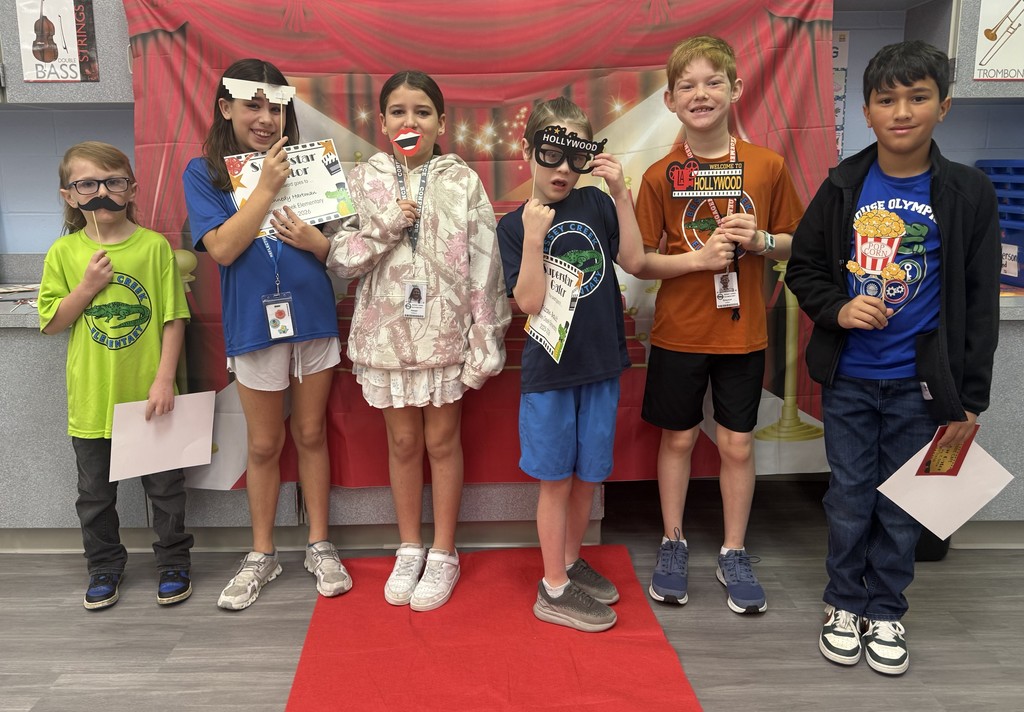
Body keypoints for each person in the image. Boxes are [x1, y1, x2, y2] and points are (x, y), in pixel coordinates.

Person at [786, 40, 1000, 675]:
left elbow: (980, 298)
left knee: (905, 501)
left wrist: (972, 398)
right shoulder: (842, 184)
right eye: (887, 99)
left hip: (924, 386)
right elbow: (805, 268)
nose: (901, 111)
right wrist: (839, 308)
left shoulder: (968, 191)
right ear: (869, 111)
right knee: (850, 496)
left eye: (917, 97)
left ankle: (886, 610)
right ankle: (844, 602)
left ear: (944, 106)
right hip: (851, 377)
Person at [327, 70, 510, 611]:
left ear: (442, 123)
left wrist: (486, 333)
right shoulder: (360, 181)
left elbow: (485, 263)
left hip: (446, 334)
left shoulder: (461, 181)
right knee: (402, 442)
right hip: (385, 335)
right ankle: (410, 546)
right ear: (382, 123)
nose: (411, 121)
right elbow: (340, 258)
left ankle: (445, 551)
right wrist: (384, 226)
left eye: (423, 112)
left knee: (441, 441)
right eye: (400, 112)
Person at [634, 36, 804, 614]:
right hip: (678, 331)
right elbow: (640, 259)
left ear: (735, 90)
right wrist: (696, 261)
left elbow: (797, 241)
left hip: (742, 333)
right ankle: (673, 540)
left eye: (712, 82)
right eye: (687, 85)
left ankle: (734, 549)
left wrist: (759, 241)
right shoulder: (660, 175)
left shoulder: (766, 166)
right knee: (678, 438)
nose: (700, 94)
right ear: (669, 100)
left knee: (736, 444)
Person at [182, 59, 351, 610]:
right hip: (255, 322)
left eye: (275, 106)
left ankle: (319, 543)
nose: (265, 117)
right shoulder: (202, 173)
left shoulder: (311, 166)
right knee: (262, 442)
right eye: (252, 104)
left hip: (314, 316)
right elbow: (224, 249)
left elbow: (342, 254)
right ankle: (262, 552)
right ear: (225, 107)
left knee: (311, 433)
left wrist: (314, 238)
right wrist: (265, 187)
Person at [497, 97, 646, 632]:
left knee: (588, 479)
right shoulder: (515, 226)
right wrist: (535, 236)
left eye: (575, 157)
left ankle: (569, 559)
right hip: (552, 373)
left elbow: (633, 259)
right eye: (551, 154)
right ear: (529, 151)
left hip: (603, 365)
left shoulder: (597, 204)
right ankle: (552, 588)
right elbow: (530, 303)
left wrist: (621, 194)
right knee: (556, 482)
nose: (562, 169)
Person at [38, 141, 194, 610]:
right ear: (70, 195)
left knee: (165, 490)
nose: (101, 192)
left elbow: (173, 317)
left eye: (113, 182)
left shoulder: (153, 247)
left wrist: (165, 379)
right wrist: (87, 286)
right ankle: (103, 566)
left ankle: (173, 562)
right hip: (92, 400)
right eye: (87, 184)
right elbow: (53, 321)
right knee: (94, 496)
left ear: (131, 189)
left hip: (149, 397)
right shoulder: (64, 253)